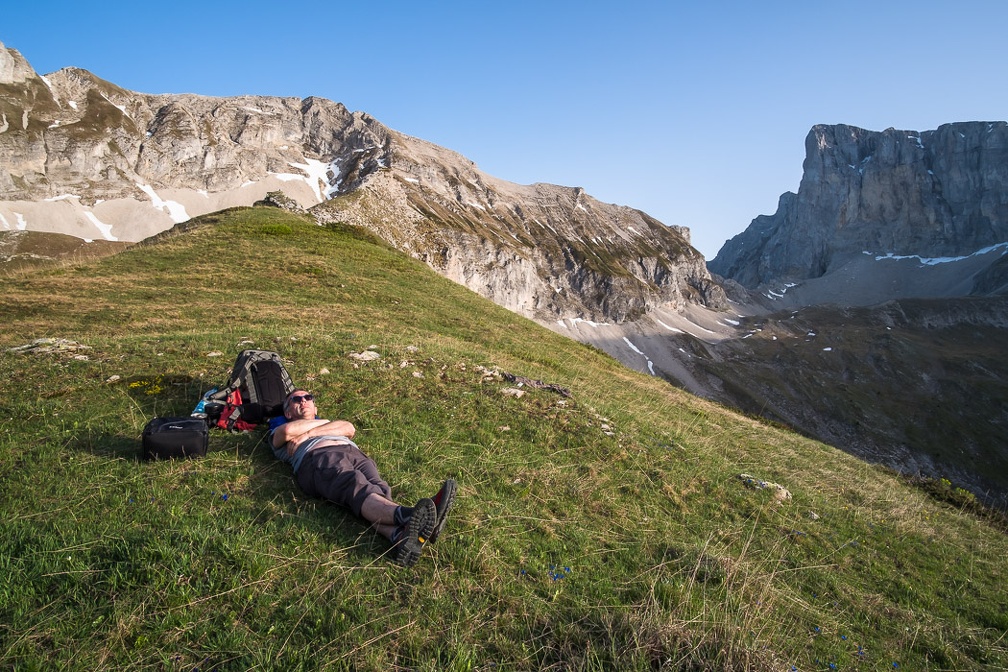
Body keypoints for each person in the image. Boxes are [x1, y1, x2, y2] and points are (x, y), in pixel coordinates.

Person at [270, 389, 456, 566]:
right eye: (296, 399)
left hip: (356, 455)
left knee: (379, 489)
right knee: (355, 484)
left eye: (308, 397)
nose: (303, 401)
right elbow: (285, 433)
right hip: (320, 458)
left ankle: (401, 538)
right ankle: (410, 516)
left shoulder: (317, 426)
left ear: (315, 408)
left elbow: (349, 428)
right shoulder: (282, 428)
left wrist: (310, 433)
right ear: (287, 413)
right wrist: (323, 426)